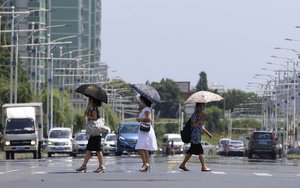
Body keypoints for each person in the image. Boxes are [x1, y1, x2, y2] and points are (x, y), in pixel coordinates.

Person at [179, 102, 212, 172]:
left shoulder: (200, 115)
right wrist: (201, 118)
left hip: (198, 136)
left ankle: (183, 164)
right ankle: (203, 166)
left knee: (191, 151)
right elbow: (194, 124)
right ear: (197, 107)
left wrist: (208, 133)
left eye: (203, 106)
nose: (202, 108)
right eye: (200, 106)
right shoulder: (195, 115)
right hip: (195, 137)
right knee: (200, 151)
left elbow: (201, 126)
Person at [76, 97, 105, 173]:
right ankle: (84, 165)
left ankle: (101, 165)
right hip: (94, 133)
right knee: (89, 149)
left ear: (92, 100)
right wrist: (87, 112)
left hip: (95, 133)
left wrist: (87, 116)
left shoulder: (94, 108)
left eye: (89, 99)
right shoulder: (92, 108)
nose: (88, 100)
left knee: (97, 150)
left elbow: (94, 118)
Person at [135, 95, 158, 172]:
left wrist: (140, 119)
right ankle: (146, 164)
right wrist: (140, 109)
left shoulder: (147, 109)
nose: (140, 101)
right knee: (145, 148)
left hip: (145, 130)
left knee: (140, 147)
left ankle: (145, 164)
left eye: (141, 100)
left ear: (143, 100)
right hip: (144, 130)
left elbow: (149, 119)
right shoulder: (145, 109)